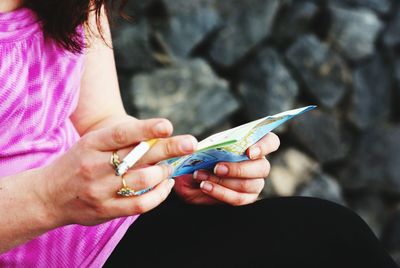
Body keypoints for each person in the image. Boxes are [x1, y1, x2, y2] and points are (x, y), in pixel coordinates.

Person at [0, 1, 397, 267]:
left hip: (114, 223)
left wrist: (174, 168)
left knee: (331, 238)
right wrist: (49, 197)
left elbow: (100, 121)